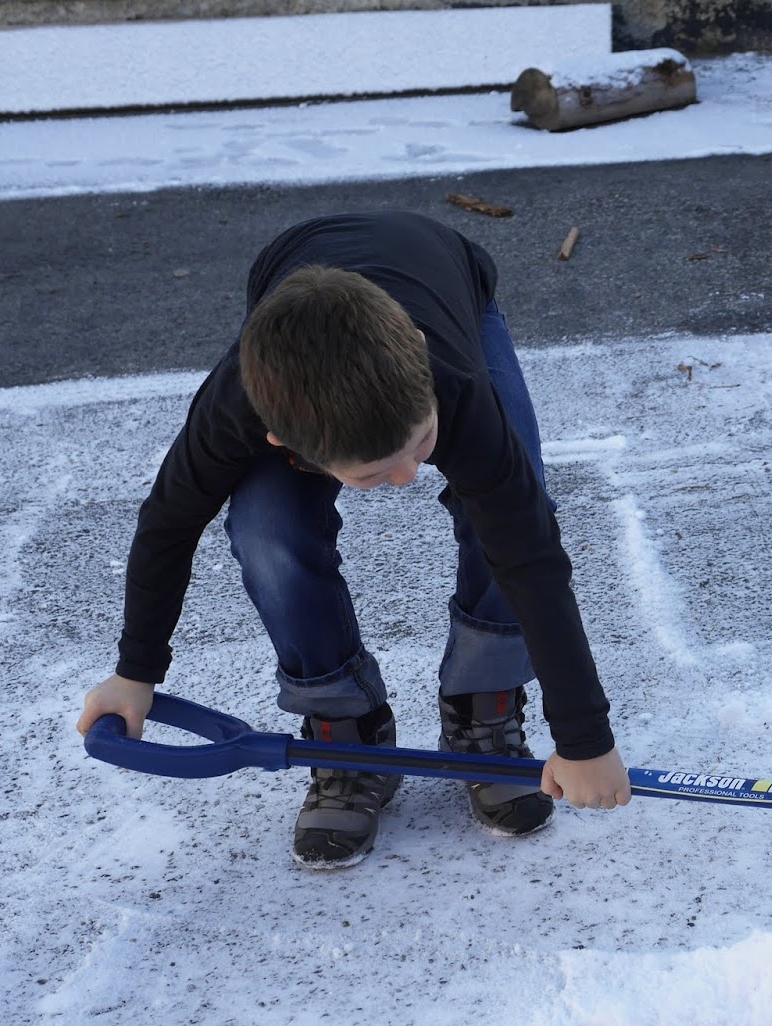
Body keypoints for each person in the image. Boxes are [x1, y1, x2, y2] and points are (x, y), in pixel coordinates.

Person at [76, 210, 631, 867]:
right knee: (266, 530)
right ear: (279, 442)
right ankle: (347, 731)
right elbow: (168, 524)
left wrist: (584, 738)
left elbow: (534, 559)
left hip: (447, 279)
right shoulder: (235, 412)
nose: (407, 478)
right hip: (297, 304)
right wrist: (135, 672)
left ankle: (486, 703)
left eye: (420, 444)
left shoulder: (451, 383)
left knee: (511, 508)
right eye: (373, 472)